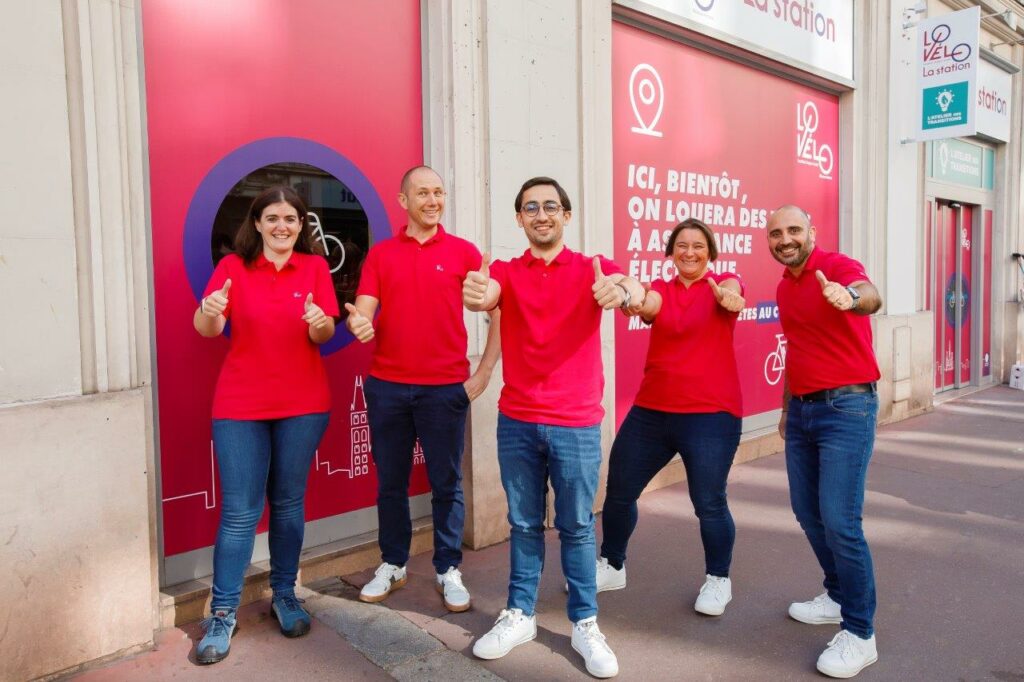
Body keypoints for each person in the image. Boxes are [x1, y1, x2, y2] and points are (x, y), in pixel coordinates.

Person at [463, 176, 645, 679]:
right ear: (519, 219)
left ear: (566, 215)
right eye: (530, 208)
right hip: (518, 419)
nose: (540, 214)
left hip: (576, 423)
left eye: (550, 206)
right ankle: (519, 614)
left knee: (578, 526)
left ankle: (585, 622)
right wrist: (480, 293)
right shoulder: (505, 270)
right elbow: (489, 292)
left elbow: (635, 288)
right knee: (522, 524)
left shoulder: (592, 267)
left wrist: (623, 289)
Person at [192, 185, 339, 664]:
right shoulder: (233, 268)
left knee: (289, 502)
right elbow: (208, 328)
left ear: (302, 225)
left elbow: (323, 332)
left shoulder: (316, 268)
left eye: (291, 219)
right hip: (240, 405)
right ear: (256, 223)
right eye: (272, 218)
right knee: (239, 511)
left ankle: (284, 594)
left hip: (304, 403)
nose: (282, 226)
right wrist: (209, 313)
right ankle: (223, 612)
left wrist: (319, 320)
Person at [346, 165, 499, 613]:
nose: (433, 200)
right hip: (388, 389)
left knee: (446, 484)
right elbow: (366, 310)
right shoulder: (381, 255)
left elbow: (499, 309)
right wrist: (359, 322)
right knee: (390, 482)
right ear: (402, 201)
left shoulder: (464, 252)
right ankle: (392, 563)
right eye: (423, 193)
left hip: (445, 390)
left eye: (439, 192)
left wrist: (486, 370)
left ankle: (448, 568)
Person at [598, 218, 745, 617]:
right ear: (670, 252)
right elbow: (647, 302)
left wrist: (731, 299)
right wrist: (631, 296)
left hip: (711, 416)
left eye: (698, 246)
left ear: (710, 253)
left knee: (709, 503)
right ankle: (612, 564)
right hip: (652, 413)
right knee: (619, 489)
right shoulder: (661, 289)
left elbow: (733, 293)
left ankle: (718, 579)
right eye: (681, 245)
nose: (690, 252)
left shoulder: (722, 284)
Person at [766, 205, 883, 679]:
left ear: (811, 232)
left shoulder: (834, 267)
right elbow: (798, 349)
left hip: (847, 409)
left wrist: (849, 297)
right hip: (804, 411)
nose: (785, 238)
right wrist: (785, 408)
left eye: (794, 230)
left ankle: (860, 633)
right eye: (776, 233)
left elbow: (870, 295)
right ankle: (836, 595)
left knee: (841, 520)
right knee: (807, 511)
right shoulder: (783, 287)